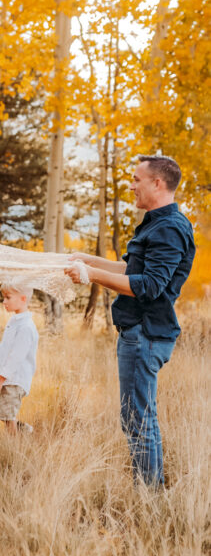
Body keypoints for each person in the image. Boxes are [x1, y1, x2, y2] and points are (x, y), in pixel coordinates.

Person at [66, 155, 195, 487]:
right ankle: (149, 489)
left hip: (146, 335)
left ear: (157, 183)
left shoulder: (169, 228)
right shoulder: (156, 223)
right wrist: (85, 260)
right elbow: (131, 271)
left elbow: (149, 286)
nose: (131, 185)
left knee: (139, 420)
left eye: (137, 179)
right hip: (139, 334)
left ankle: (150, 497)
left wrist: (90, 275)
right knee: (135, 417)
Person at [0, 284, 38, 433]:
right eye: (3, 297)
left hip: (14, 379)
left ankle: (13, 449)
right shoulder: (14, 322)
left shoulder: (26, 327)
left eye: (8, 298)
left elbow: (17, 357)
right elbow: (4, 349)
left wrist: (1, 378)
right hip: (2, 375)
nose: (4, 302)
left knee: (7, 417)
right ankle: (21, 428)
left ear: (23, 299)